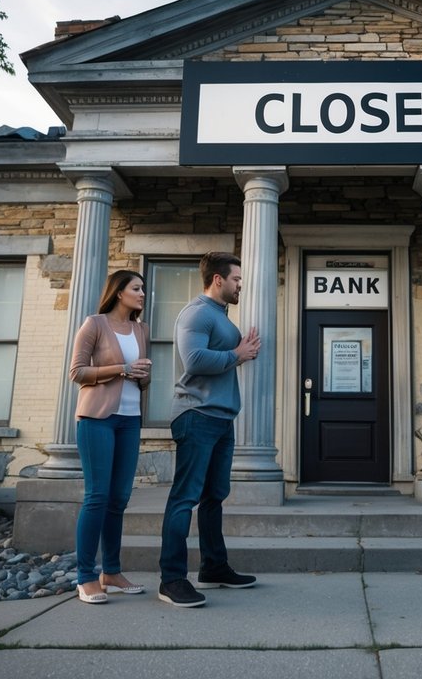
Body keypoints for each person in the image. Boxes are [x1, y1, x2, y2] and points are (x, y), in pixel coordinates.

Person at [158, 251, 261, 608]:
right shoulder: (198, 313)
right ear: (217, 279)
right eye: (236, 280)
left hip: (220, 417)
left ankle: (214, 567)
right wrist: (238, 354)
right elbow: (195, 360)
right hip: (196, 415)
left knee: (214, 496)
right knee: (185, 497)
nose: (240, 286)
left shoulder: (219, 315)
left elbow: (225, 355)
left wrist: (239, 351)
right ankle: (171, 579)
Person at [68, 269, 153, 604]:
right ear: (119, 292)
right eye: (136, 288)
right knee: (97, 497)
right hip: (97, 419)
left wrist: (143, 376)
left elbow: (142, 380)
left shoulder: (141, 329)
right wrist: (122, 369)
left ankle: (112, 572)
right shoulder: (94, 324)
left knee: (119, 499)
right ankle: (86, 576)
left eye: (143, 288)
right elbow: (78, 372)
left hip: (130, 420)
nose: (143, 293)